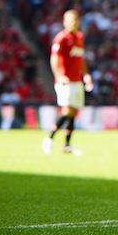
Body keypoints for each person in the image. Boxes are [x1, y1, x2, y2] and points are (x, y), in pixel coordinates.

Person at [43, 9, 93, 156]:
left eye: (76, 20)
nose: (73, 23)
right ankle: (49, 137)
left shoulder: (79, 37)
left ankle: (66, 145)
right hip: (65, 81)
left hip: (77, 81)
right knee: (68, 111)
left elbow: (80, 59)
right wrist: (59, 76)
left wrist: (86, 75)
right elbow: (54, 59)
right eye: (71, 20)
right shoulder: (61, 38)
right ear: (65, 22)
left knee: (73, 112)